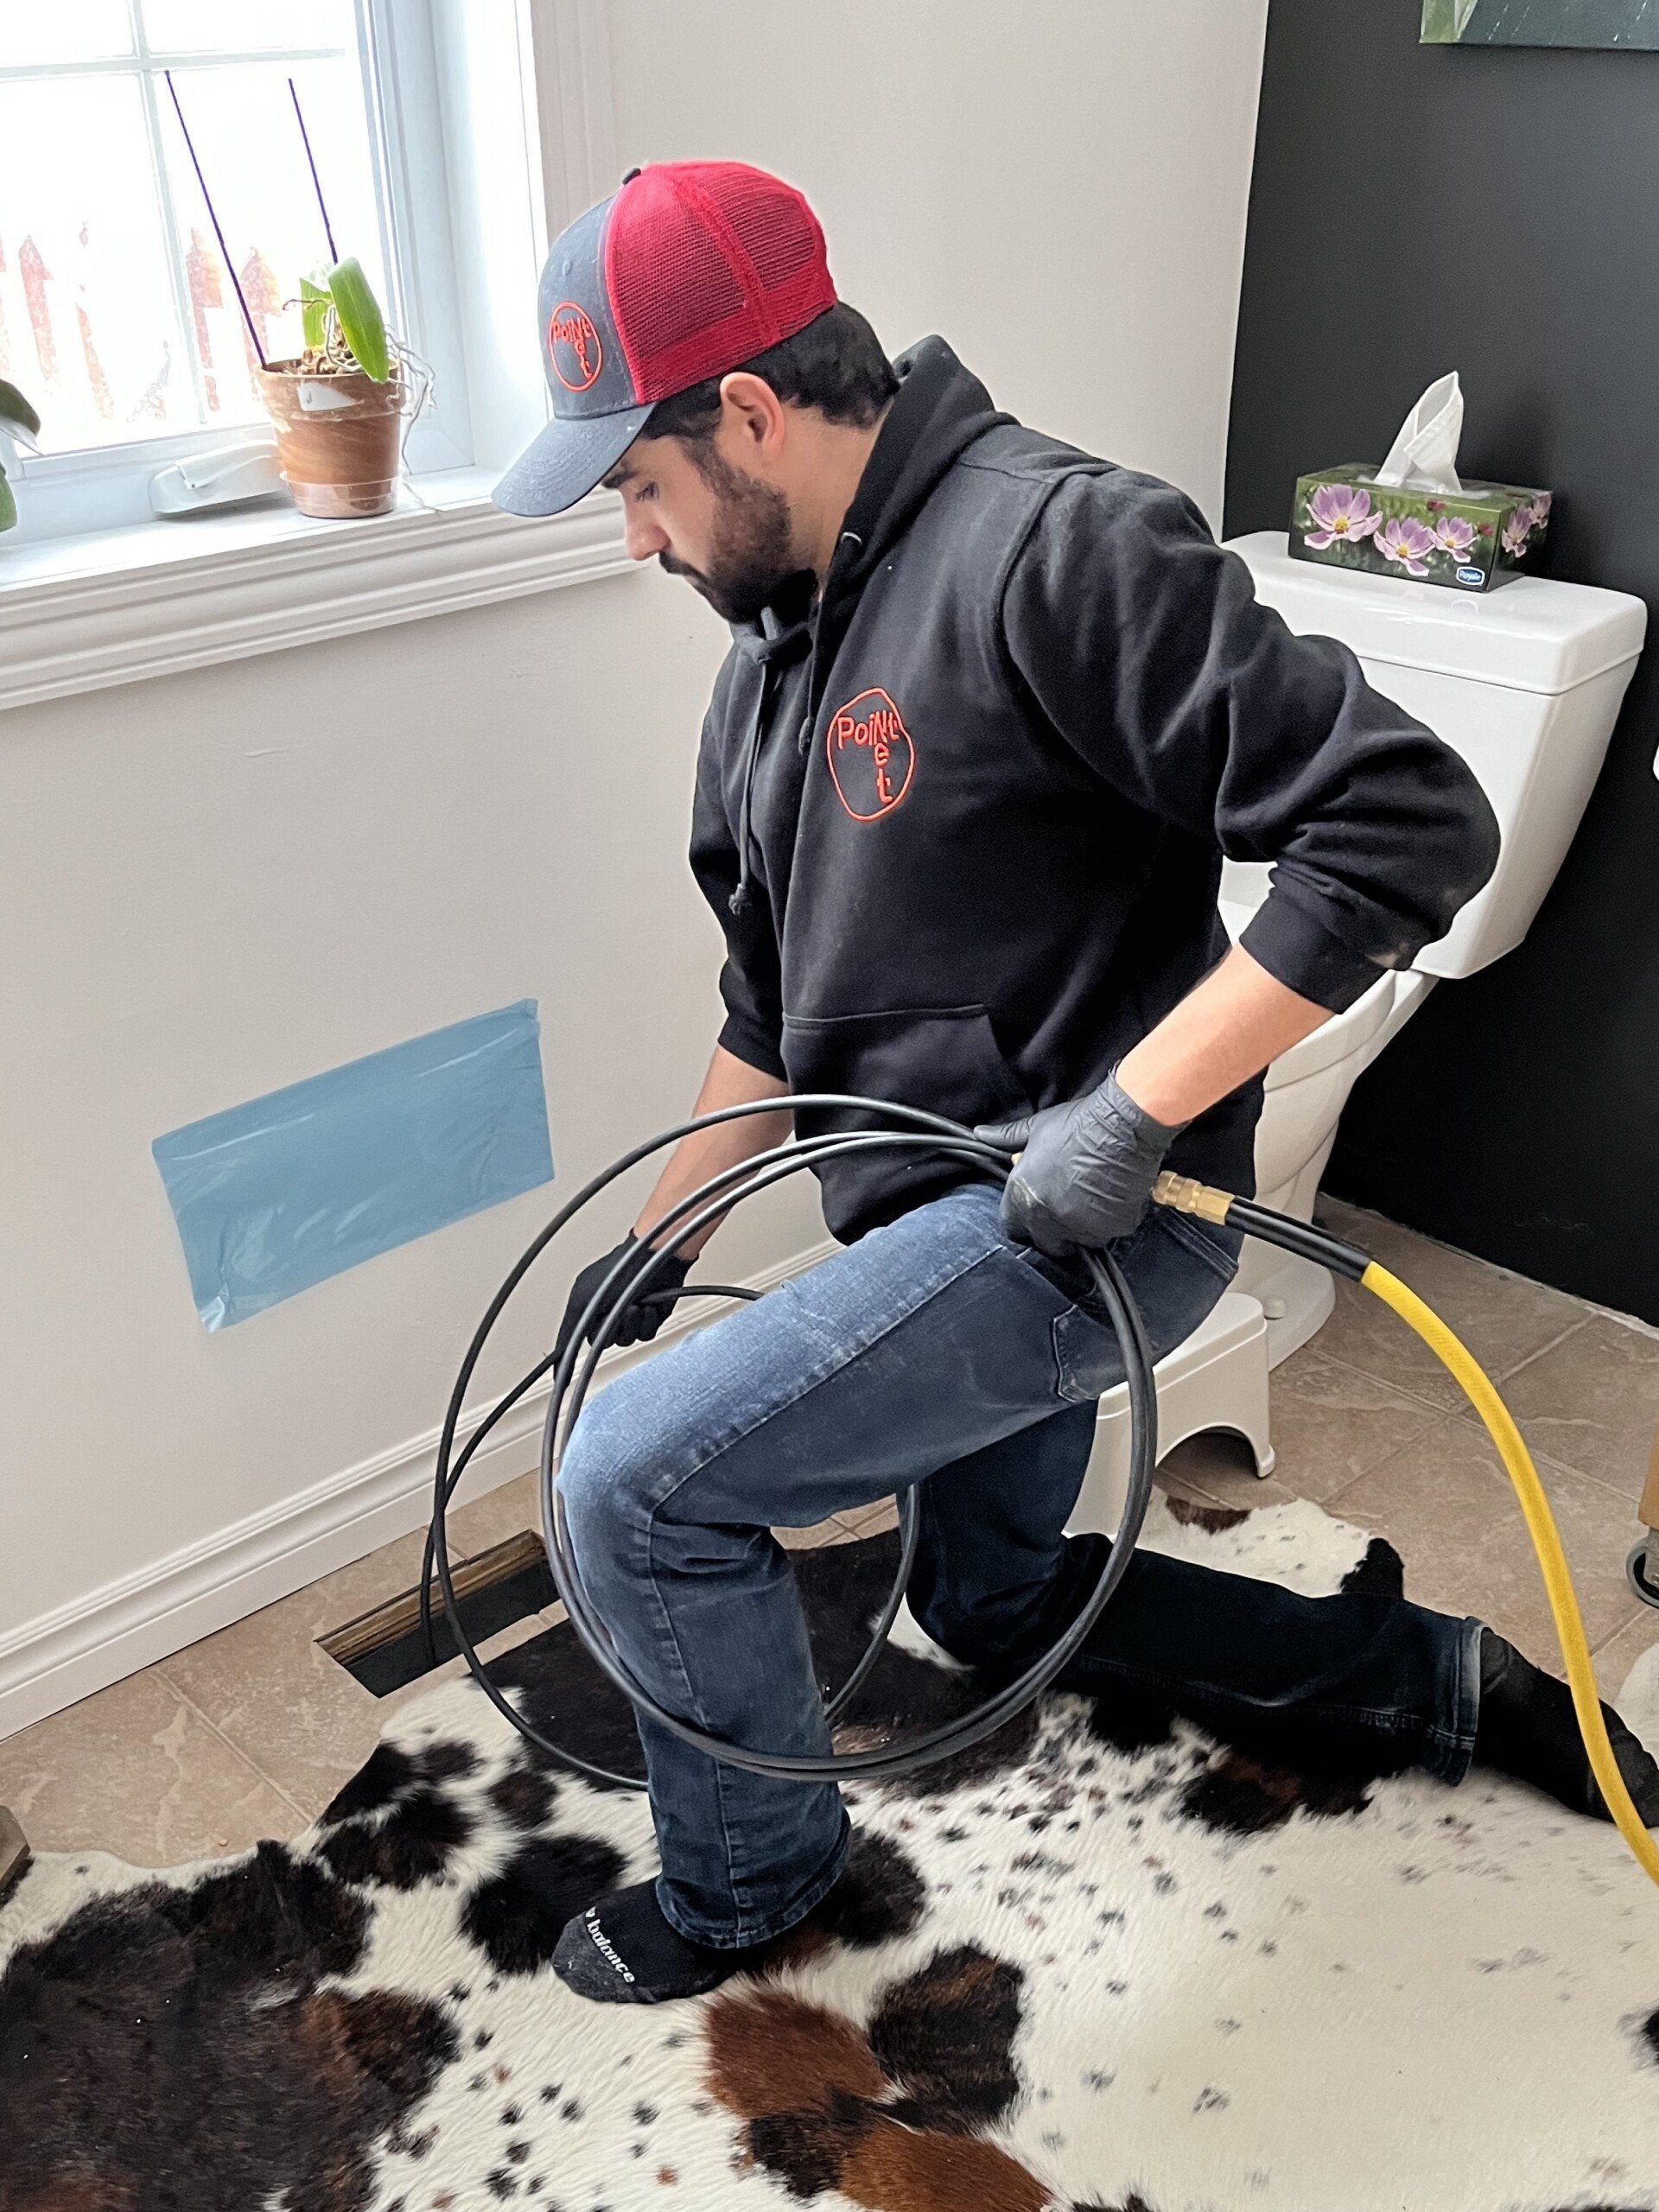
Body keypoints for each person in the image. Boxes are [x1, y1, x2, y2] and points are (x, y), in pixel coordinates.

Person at [494, 160, 1659, 2005]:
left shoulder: (1058, 548)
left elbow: (1412, 824)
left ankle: (752, 1884)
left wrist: (1128, 1116)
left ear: (751, 414)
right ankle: (1442, 1682)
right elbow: (767, 1004)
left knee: (632, 1487)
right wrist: (658, 1240)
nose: (635, 538)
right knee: (989, 1600)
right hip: (937, 1207)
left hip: (1097, 1218)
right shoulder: (770, 656)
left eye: (640, 484)